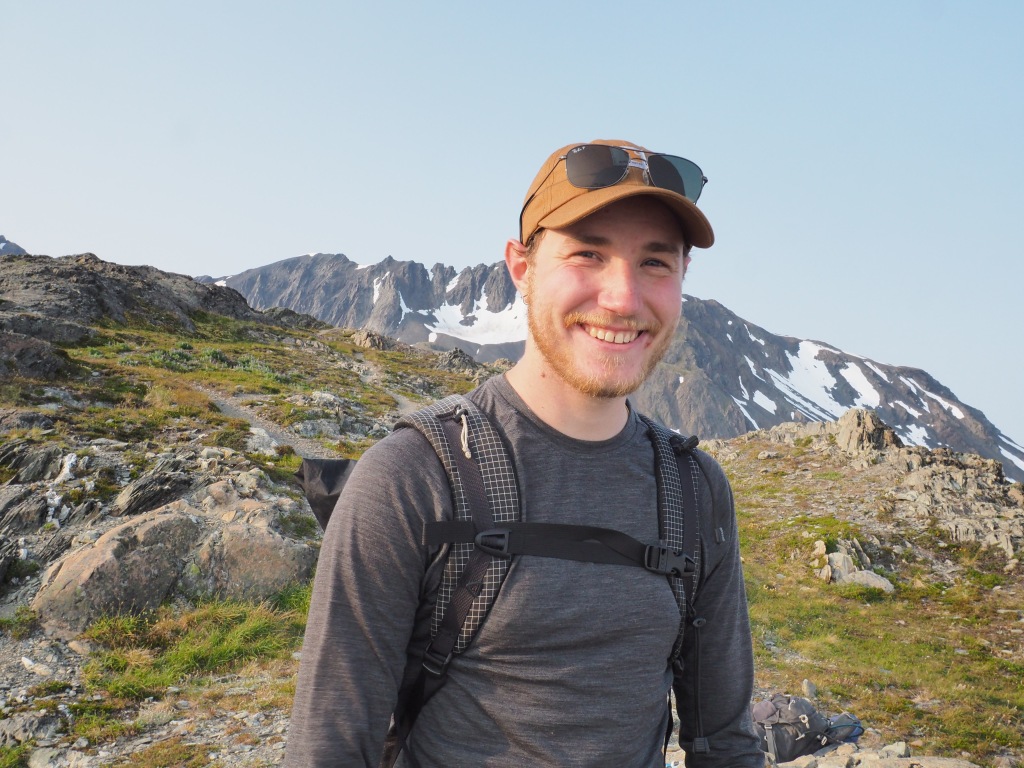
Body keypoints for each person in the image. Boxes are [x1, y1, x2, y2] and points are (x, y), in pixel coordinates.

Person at [284, 139, 763, 767]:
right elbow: (329, 748)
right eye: (587, 253)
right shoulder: (410, 477)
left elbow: (726, 743)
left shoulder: (695, 489)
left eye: (655, 263)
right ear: (521, 267)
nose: (622, 298)